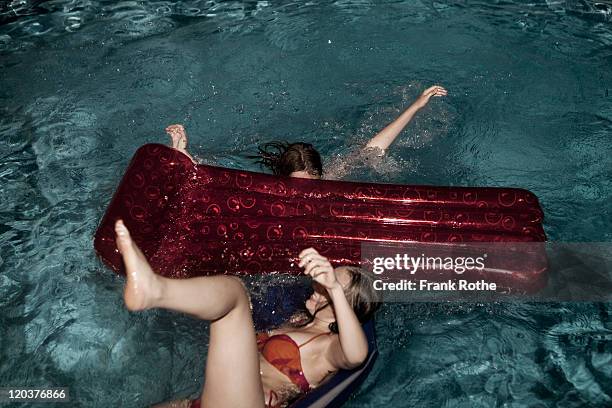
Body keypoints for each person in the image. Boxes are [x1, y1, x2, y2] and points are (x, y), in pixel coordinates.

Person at [114, 219, 380, 408]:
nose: (321, 283)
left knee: (235, 297)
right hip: (211, 401)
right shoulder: (298, 322)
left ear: (342, 308)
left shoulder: (328, 348)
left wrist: (333, 287)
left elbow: (357, 355)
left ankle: (154, 290)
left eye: (331, 285)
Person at [164, 85, 447, 179]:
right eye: (297, 183)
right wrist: (181, 153)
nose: (304, 193)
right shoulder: (269, 187)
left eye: (311, 182)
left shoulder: (330, 177)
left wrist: (416, 105)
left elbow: (374, 148)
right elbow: (212, 175)